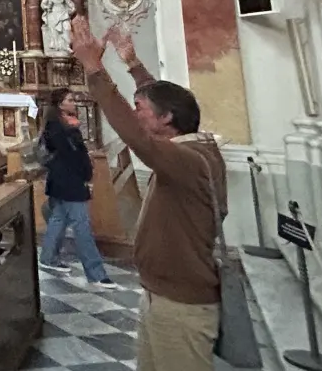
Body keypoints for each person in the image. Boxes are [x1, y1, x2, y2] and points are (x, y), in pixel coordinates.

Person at [72, 18, 226, 371]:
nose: (136, 113)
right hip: (163, 296)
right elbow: (158, 103)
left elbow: (137, 136)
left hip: (181, 306)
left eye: (140, 109)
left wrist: (95, 69)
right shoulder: (190, 144)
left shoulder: (187, 161)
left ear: (167, 119)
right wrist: (132, 63)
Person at [38, 86, 116, 288]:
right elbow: (70, 155)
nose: (74, 102)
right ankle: (96, 274)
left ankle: (48, 258)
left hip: (62, 180)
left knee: (58, 219)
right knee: (82, 227)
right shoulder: (57, 127)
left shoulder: (63, 125)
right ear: (60, 105)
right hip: (68, 181)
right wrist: (85, 174)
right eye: (70, 100)